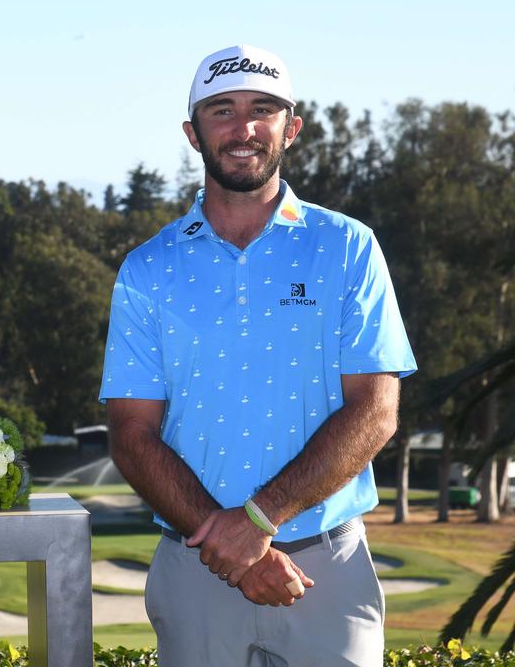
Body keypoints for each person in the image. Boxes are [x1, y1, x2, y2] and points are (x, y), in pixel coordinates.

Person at [99, 45, 417, 667]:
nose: (243, 128)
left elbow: (376, 413)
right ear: (193, 133)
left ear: (290, 128)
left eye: (262, 109)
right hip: (195, 565)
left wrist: (256, 522)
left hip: (326, 564)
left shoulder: (349, 248)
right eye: (222, 110)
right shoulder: (148, 268)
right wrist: (236, 546)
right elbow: (131, 435)